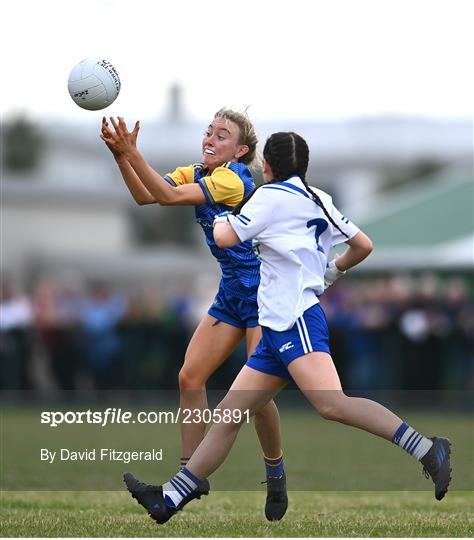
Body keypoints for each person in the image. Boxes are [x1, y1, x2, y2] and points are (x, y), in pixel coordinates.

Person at [123, 131, 452, 524]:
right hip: (280, 322)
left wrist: (223, 207)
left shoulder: (267, 196)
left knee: (333, 404)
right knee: (229, 413)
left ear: (268, 166)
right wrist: (331, 272)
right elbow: (363, 245)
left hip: (294, 319)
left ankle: (429, 449)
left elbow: (225, 237)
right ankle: (169, 499)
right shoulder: (319, 198)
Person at [100, 111, 288, 520]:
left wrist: (134, 152)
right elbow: (146, 195)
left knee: (254, 397)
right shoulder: (198, 171)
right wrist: (122, 157)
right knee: (190, 377)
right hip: (231, 294)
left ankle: (275, 473)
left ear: (240, 150)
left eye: (222, 135)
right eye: (208, 130)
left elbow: (167, 198)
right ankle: (190, 476)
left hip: (263, 295)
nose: (210, 138)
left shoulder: (233, 178)